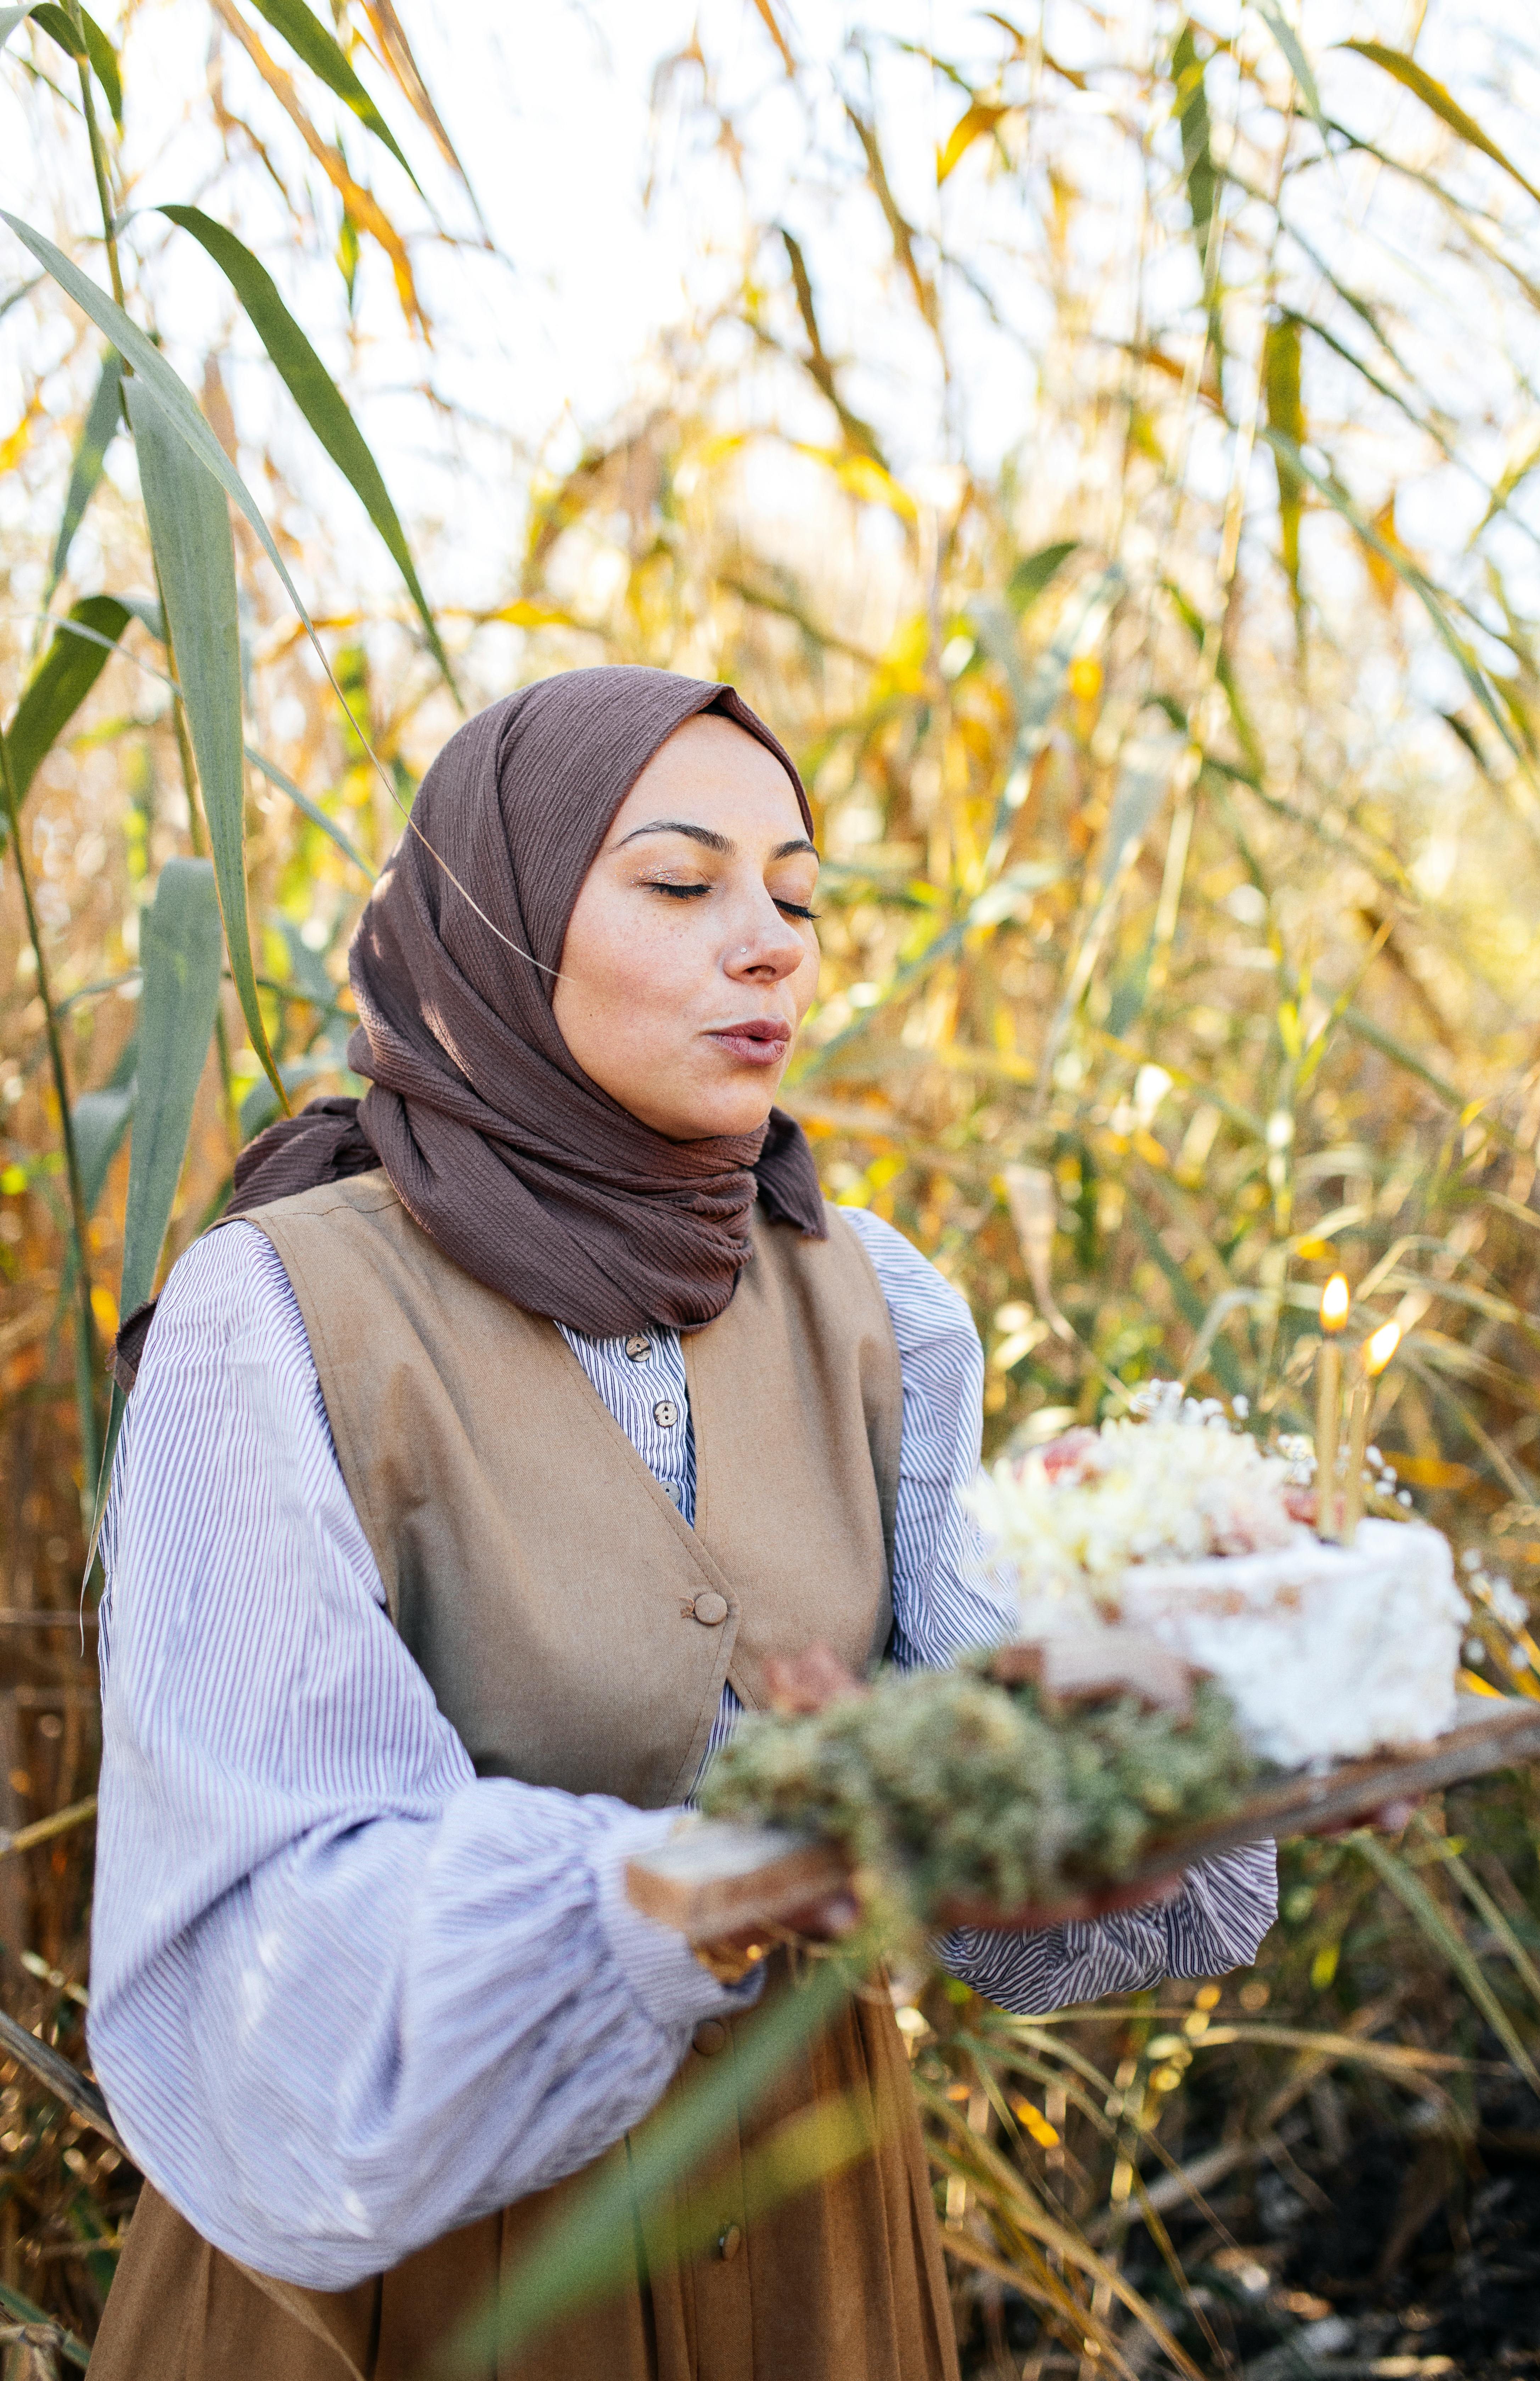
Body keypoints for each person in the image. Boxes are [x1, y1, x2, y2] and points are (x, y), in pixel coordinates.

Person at [85, 667, 1276, 2380]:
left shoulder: (877, 1303)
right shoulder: (272, 1313)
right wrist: (676, 1898)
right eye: (679, 881)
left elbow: (1011, 1784)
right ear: (498, 927)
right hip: (429, 2263)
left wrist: (1195, 1672)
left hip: (806, 2230)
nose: (773, 942)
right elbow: (273, 1925)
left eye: (795, 893)